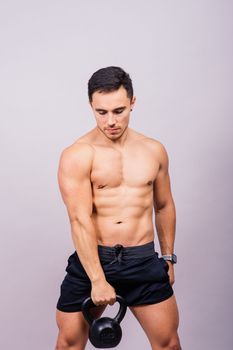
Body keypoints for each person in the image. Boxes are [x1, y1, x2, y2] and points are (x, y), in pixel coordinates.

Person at [55, 66, 181, 350]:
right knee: (69, 344)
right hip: (94, 260)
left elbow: (163, 205)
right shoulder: (77, 154)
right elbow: (79, 219)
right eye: (101, 112)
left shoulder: (153, 150)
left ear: (133, 103)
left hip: (143, 260)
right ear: (91, 106)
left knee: (168, 344)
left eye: (119, 110)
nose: (110, 121)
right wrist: (97, 280)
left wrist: (169, 257)